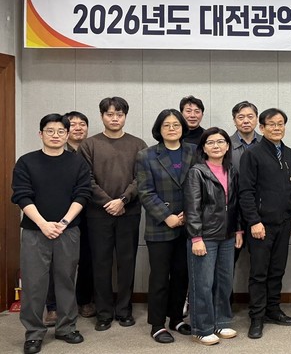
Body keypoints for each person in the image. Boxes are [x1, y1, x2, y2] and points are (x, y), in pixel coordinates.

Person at [12, 114, 92, 354]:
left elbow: (82, 194)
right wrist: (43, 224)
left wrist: (64, 222)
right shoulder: (26, 162)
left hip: (68, 231)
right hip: (35, 232)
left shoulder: (77, 163)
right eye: (50, 130)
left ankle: (66, 328)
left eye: (60, 131)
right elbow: (21, 195)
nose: (55, 135)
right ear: (41, 134)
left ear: (67, 135)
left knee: (66, 279)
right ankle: (34, 333)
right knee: (34, 284)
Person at [79, 97, 148, 331]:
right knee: (101, 264)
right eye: (109, 114)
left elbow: (142, 178)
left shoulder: (138, 144)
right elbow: (86, 179)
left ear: (125, 116)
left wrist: (123, 200)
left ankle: (124, 311)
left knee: (127, 263)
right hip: (98, 214)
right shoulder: (89, 145)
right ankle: (104, 313)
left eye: (119, 114)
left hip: (129, 211)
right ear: (102, 116)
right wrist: (109, 202)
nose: (115, 118)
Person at [136, 109, 196, 343]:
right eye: (166, 125)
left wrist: (189, 213)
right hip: (160, 226)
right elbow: (145, 192)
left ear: (183, 128)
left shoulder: (193, 151)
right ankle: (157, 324)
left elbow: (199, 185)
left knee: (182, 275)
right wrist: (167, 216)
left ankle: (176, 319)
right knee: (160, 277)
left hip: (188, 224)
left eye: (176, 125)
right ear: (159, 129)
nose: (172, 129)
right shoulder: (147, 155)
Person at [239, 108, 291, 339]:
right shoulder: (252, 154)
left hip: (283, 222)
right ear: (262, 128)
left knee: (277, 270)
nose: (277, 128)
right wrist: (254, 221)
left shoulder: (289, 153)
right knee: (259, 273)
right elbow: (246, 192)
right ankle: (257, 316)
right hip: (261, 225)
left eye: (280, 123)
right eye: (271, 124)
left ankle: (273, 310)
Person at [184, 127, 243, 346]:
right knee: (203, 283)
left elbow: (235, 204)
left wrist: (238, 230)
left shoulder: (232, 171)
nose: (216, 146)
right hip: (205, 236)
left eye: (220, 142)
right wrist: (196, 238)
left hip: (227, 235)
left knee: (224, 282)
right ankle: (202, 328)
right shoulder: (197, 172)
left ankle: (221, 322)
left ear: (227, 146)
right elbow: (192, 208)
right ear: (203, 148)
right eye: (210, 142)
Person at [43, 111, 93, 327]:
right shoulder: (54, 154)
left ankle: (83, 300)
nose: (78, 128)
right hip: (58, 218)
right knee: (55, 264)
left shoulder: (91, 149)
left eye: (83, 124)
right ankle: (53, 307)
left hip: (89, 213)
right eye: (73, 124)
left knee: (87, 259)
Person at [228, 101, 259, 269]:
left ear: (257, 119)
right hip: (232, 211)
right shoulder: (224, 145)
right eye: (241, 117)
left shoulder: (266, 143)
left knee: (260, 263)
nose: (246, 121)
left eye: (250, 116)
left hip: (259, 211)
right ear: (234, 121)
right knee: (228, 263)